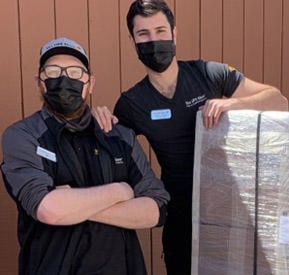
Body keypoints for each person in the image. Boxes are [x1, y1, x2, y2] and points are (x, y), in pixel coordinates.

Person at [92, 0, 288, 274]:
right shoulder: (132, 103)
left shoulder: (209, 74)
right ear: (132, 41)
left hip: (228, 210)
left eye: (160, 31)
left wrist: (233, 102)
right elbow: (113, 149)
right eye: (143, 34)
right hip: (180, 217)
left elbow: (278, 101)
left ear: (174, 34)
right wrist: (99, 117)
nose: (153, 40)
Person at [1, 37, 170, 275]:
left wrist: (73, 206)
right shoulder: (22, 136)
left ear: (90, 83)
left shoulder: (118, 136)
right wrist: (120, 191)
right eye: (53, 71)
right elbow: (48, 209)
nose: (64, 79)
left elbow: (157, 209)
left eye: (74, 72)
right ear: (39, 82)